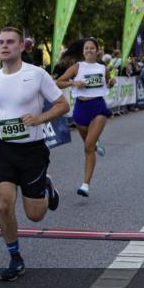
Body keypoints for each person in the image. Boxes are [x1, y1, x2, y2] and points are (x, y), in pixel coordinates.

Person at [0, 27, 67, 282]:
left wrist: (39, 118)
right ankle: (15, 258)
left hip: (32, 151)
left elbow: (63, 105)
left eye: (10, 42)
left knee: (35, 215)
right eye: (1, 42)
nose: (4, 45)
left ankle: (46, 186)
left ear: (21, 46)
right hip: (4, 149)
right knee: (3, 204)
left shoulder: (37, 75)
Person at [56, 38, 115, 198]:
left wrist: (111, 82)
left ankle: (85, 185)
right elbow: (58, 82)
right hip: (81, 108)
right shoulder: (77, 67)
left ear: (97, 51)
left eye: (92, 48)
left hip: (98, 107)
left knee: (87, 147)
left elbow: (108, 84)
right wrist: (73, 83)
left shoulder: (103, 68)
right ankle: (96, 143)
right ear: (83, 51)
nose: (89, 50)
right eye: (86, 48)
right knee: (89, 143)